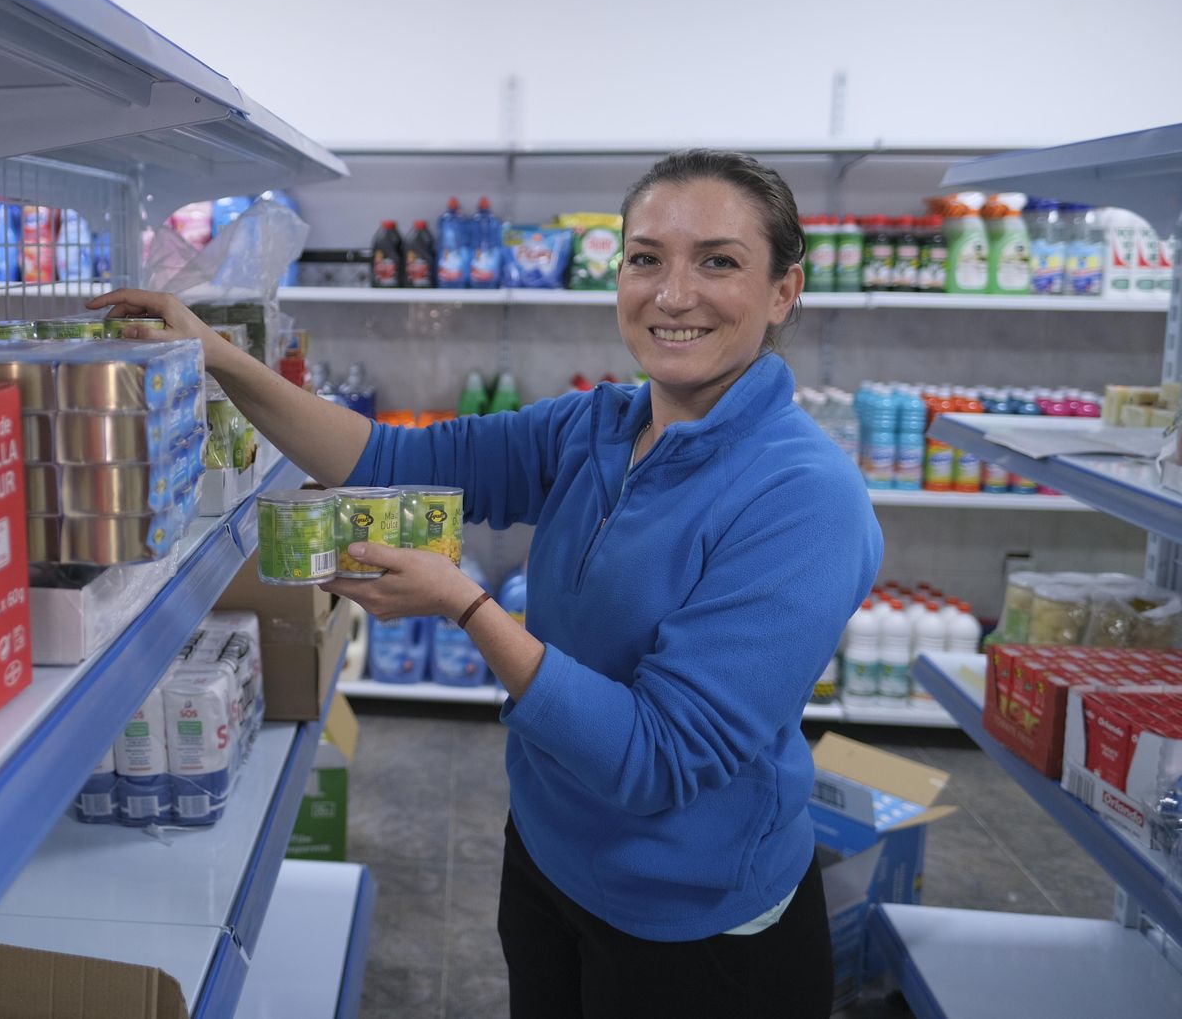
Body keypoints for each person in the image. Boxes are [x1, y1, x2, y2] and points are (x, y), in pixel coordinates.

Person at [89, 149, 883, 1018]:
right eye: (646, 257)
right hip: (548, 856)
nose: (673, 293)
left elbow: (661, 758)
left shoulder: (806, 499)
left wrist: (465, 606)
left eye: (718, 261)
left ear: (783, 292)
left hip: (696, 928)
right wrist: (222, 360)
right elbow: (390, 458)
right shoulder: (599, 426)